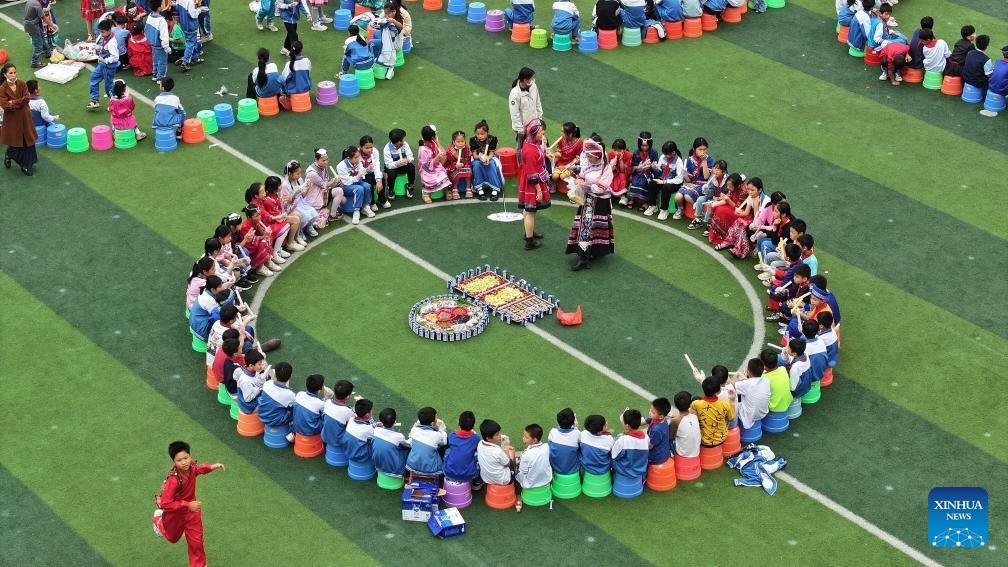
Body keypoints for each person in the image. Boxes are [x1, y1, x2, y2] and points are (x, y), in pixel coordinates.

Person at [155, 441, 224, 567]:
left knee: (196, 543)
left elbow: (197, 470)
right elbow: (166, 503)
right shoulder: (173, 480)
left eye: (186, 458)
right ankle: (158, 519)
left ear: (190, 455)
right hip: (175, 514)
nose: (184, 462)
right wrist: (187, 505)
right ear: (174, 462)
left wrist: (212, 467)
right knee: (173, 538)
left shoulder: (191, 466)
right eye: (179, 460)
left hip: (193, 512)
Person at [564, 138, 614, 271]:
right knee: (584, 229)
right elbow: (581, 175)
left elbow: (600, 189)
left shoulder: (606, 169)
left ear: (597, 156)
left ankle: (591, 254)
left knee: (592, 228)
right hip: (587, 202)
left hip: (599, 203)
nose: (588, 158)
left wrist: (584, 185)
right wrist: (578, 181)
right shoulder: (589, 165)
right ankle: (584, 257)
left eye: (590, 156)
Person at [518, 118, 551, 250]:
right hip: (533, 183)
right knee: (530, 211)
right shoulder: (530, 151)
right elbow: (532, 175)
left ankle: (529, 233)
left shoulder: (531, 142)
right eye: (540, 132)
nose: (542, 134)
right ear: (533, 133)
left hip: (531, 180)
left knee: (529, 209)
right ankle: (529, 240)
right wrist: (538, 191)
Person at [1, 64, 39, 176]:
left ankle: (27, 165)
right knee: (17, 141)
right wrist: (18, 102)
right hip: (12, 120)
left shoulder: (22, 83)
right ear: (5, 74)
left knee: (28, 140)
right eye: (10, 73)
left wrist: (13, 102)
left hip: (25, 117)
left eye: (14, 72)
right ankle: (12, 156)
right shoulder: (2, 88)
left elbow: (26, 99)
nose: (13, 75)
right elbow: (5, 106)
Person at [508, 67, 542, 161]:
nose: (533, 80)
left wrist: (540, 118)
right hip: (523, 128)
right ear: (524, 80)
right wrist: (520, 129)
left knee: (536, 145)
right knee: (521, 147)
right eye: (531, 78)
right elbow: (514, 113)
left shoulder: (533, 86)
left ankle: (536, 162)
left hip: (535, 124)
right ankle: (521, 166)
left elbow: (538, 102)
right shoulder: (515, 93)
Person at [279, 160, 319, 241]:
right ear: (289, 174)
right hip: (292, 206)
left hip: (301, 202)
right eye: (297, 173)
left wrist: (308, 188)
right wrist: (294, 194)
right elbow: (286, 203)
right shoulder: (285, 185)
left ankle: (307, 226)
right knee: (305, 216)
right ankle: (299, 230)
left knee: (314, 213)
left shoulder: (299, 180)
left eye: (300, 173)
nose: (299, 175)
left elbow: (303, 196)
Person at [690, 376, 735, 447]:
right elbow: (731, 418)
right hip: (722, 438)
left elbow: (691, 416)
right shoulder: (725, 404)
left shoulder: (696, 404)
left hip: (704, 441)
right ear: (718, 391)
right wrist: (732, 401)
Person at [304, 148, 343, 227]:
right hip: (313, 198)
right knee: (317, 221)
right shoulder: (311, 172)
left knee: (339, 191)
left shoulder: (323, 167)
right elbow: (324, 184)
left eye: (327, 160)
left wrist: (336, 182)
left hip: (322, 193)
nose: (326, 162)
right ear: (316, 160)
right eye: (323, 160)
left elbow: (326, 182)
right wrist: (333, 181)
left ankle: (332, 215)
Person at [335, 145, 375, 224]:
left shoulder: (358, 162)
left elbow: (362, 172)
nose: (358, 159)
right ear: (348, 158)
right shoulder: (341, 166)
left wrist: (368, 169)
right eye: (356, 157)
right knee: (359, 189)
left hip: (357, 182)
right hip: (345, 186)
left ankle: (365, 207)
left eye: (358, 156)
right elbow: (347, 182)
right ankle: (356, 211)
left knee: (367, 186)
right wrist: (358, 176)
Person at [645, 140, 684, 219]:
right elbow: (659, 172)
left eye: (667, 154)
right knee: (652, 183)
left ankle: (664, 209)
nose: (665, 155)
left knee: (666, 187)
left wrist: (664, 181)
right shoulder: (663, 157)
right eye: (664, 153)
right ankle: (653, 205)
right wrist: (653, 168)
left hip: (674, 183)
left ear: (673, 153)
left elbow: (679, 179)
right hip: (663, 179)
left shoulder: (679, 162)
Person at [257, 361, 296, 440]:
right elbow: (293, 408)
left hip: (261, 414)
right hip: (275, 421)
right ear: (290, 376)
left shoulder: (267, 383)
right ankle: (293, 432)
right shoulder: (290, 395)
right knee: (297, 411)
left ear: (274, 375)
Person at [86, 20, 120, 110]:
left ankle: (115, 103)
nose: (101, 34)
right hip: (102, 65)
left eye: (103, 32)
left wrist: (105, 60)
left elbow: (115, 57)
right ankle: (95, 100)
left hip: (108, 67)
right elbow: (103, 47)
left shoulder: (112, 42)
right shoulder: (105, 37)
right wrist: (96, 47)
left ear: (109, 30)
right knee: (93, 78)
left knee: (109, 86)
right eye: (100, 31)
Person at [406, 406, 448, 478]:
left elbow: (411, 435)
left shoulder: (414, 430)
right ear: (432, 423)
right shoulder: (437, 435)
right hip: (431, 471)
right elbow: (444, 442)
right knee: (443, 447)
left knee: (412, 443)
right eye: (435, 418)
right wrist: (441, 429)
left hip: (411, 467)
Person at [469, 119, 505, 201]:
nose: (480, 136)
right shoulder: (473, 140)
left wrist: (487, 159)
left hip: (490, 157)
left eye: (482, 134)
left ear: (487, 133)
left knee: (491, 164)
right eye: (478, 134)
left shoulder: (492, 139)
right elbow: (474, 155)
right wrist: (481, 158)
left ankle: (495, 189)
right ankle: (479, 189)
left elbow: (491, 154)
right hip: (478, 158)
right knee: (477, 165)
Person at [611, 409, 649, 483]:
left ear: (627, 425)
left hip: (625, 471)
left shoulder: (622, 440)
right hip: (641, 469)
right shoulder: (647, 437)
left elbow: (614, 456)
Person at [733, 358, 771, 431]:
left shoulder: (746, 384)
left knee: (737, 394)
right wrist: (744, 378)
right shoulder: (767, 381)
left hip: (748, 416)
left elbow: (733, 385)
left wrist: (736, 378)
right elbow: (752, 384)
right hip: (763, 413)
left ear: (748, 371)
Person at [372, 408, 410, 479]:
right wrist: (413, 433)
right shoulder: (399, 436)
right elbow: (408, 445)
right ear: (395, 421)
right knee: (408, 449)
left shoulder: (376, 430)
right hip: (396, 472)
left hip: (377, 467)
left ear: (381, 421)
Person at [688, 159, 728, 229]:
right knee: (700, 199)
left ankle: (710, 224)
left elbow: (727, 193)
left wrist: (717, 199)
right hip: (713, 197)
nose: (715, 171)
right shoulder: (712, 178)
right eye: (715, 168)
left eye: (718, 169)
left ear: (724, 171)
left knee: (711, 205)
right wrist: (706, 190)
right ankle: (698, 219)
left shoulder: (727, 180)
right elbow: (710, 195)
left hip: (722, 200)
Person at [417, 124, 451, 204]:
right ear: (432, 136)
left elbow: (444, 153)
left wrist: (437, 142)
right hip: (427, 170)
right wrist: (437, 158)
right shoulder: (422, 149)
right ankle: (426, 194)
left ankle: (447, 191)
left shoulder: (433, 143)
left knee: (445, 175)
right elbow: (426, 166)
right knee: (435, 179)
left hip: (436, 166)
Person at [444, 411, 480, 484]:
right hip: (468, 476)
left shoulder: (452, 435)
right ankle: (477, 482)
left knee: (448, 450)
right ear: (473, 426)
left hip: (448, 473)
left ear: (458, 423)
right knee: (477, 455)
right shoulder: (476, 438)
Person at [476, 419, 516, 485]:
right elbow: (508, 464)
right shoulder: (498, 452)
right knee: (512, 453)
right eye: (497, 435)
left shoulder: (480, 444)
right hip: (502, 480)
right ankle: (516, 485)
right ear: (488, 438)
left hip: (486, 478)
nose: (500, 436)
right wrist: (506, 447)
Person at [321, 380, 355, 457]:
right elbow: (356, 420)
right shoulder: (347, 411)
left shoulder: (327, 402)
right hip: (338, 441)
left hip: (324, 436)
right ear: (348, 396)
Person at [516, 424, 551, 491]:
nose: (523, 438)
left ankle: (518, 495)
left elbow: (523, 471)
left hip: (531, 484)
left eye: (526, 437)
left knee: (517, 473)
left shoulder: (526, 454)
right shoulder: (546, 446)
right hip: (547, 479)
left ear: (534, 440)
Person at [627, 132, 658, 211]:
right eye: (642, 145)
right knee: (635, 181)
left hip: (649, 172)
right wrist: (638, 168)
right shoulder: (636, 152)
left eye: (646, 145)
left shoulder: (654, 152)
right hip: (638, 172)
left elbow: (656, 166)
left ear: (650, 144)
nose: (644, 147)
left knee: (643, 182)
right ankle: (633, 199)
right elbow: (632, 166)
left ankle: (644, 201)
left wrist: (652, 166)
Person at [383, 128, 416, 200]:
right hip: (393, 168)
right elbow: (389, 165)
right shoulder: (387, 148)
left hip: (404, 165)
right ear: (398, 142)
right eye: (403, 139)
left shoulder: (405, 144)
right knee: (391, 173)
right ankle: (391, 189)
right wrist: (398, 163)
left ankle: (410, 186)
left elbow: (411, 157)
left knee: (411, 167)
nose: (404, 140)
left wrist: (407, 160)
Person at [174, 0, 207, 72]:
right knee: (191, 43)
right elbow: (193, 15)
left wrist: (178, 21)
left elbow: (176, 11)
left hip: (183, 24)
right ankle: (185, 62)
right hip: (191, 25)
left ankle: (194, 58)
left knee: (192, 41)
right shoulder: (190, 2)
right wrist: (199, 9)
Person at [549, 122, 582, 191]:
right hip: (560, 164)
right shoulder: (561, 140)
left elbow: (577, 159)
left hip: (571, 165)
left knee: (562, 176)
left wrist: (566, 167)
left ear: (570, 134)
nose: (561, 134)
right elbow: (559, 153)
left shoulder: (579, 143)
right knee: (554, 176)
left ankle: (573, 184)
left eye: (563, 132)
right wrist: (553, 154)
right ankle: (555, 183)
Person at [344, 399, 376, 470]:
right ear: (367, 414)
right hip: (360, 456)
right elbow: (375, 431)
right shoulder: (368, 429)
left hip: (347, 450)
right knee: (377, 443)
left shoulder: (351, 420)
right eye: (371, 410)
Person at [547, 407, 580, 477]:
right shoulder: (578, 434)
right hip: (573, 470)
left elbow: (549, 445)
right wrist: (576, 427)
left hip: (555, 468)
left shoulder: (552, 432)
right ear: (574, 421)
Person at [292, 374, 327, 439]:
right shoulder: (321, 403)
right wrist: (327, 397)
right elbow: (323, 408)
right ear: (319, 390)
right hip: (311, 432)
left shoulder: (300, 394)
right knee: (327, 418)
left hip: (295, 428)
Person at [24, 0, 53, 69]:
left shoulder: (30, 1)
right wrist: (52, 25)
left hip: (32, 24)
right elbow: (43, 17)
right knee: (38, 45)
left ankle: (48, 53)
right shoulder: (37, 4)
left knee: (42, 37)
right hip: (33, 26)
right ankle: (34, 62)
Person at [445, 130, 473, 200]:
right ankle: (455, 189)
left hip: (464, 165)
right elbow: (449, 162)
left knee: (468, 167)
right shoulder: (450, 150)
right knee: (455, 170)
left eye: (462, 141)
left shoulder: (467, 148)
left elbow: (468, 160)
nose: (461, 143)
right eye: (458, 141)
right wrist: (455, 164)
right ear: (454, 142)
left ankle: (468, 188)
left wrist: (460, 160)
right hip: (452, 167)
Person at [671, 391, 699, 458]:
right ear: (690, 405)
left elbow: (670, 437)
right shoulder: (695, 416)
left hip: (682, 454)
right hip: (696, 452)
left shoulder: (675, 421)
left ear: (675, 405)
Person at [645, 398, 671, 466]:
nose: (650, 412)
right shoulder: (660, 419)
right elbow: (645, 421)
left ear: (661, 416)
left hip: (656, 457)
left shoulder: (656, 430)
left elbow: (649, 446)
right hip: (663, 451)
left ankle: (644, 474)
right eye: (650, 409)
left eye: (653, 412)